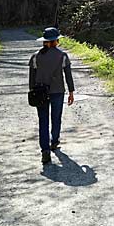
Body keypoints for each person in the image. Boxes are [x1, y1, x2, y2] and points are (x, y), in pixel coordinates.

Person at [29, 27, 75, 164]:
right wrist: (71, 92)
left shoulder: (35, 56)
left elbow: (32, 78)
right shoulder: (63, 56)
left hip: (40, 92)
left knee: (43, 121)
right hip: (57, 92)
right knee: (56, 118)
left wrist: (32, 91)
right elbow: (68, 76)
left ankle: (45, 151)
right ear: (56, 41)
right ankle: (54, 142)